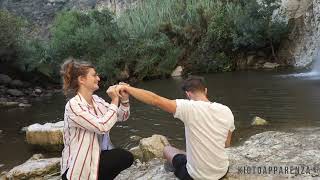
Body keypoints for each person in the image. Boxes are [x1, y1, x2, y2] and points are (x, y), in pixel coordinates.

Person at [115, 75, 235, 180]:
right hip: (222, 171)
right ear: (206, 90)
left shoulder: (189, 108)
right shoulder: (226, 110)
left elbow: (155, 100)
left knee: (167, 150)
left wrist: (128, 89)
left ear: (187, 94)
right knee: (186, 153)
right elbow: (226, 144)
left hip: (196, 176)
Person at [60, 58, 133, 180]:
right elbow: (102, 126)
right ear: (82, 80)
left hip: (96, 158)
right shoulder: (73, 105)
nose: (98, 78)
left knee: (125, 157)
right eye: (94, 75)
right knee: (122, 157)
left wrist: (124, 100)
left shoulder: (97, 100)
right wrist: (115, 100)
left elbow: (120, 116)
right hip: (77, 170)